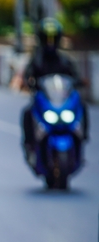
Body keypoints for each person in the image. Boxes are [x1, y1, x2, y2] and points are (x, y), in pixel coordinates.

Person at [21, 18, 88, 161]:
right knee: (27, 113)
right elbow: (27, 76)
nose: (50, 43)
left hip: (61, 100)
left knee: (82, 107)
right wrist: (27, 83)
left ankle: (83, 138)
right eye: (47, 39)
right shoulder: (37, 60)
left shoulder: (64, 60)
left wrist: (79, 82)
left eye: (53, 39)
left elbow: (75, 76)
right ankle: (29, 143)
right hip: (44, 100)